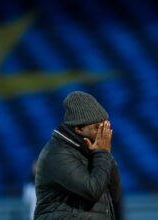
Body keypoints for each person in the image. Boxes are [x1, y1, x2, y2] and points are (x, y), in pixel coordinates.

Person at [34, 91, 122, 220]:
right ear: (78, 129)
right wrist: (103, 154)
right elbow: (91, 190)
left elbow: (115, 194)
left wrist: (105, 154)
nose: (102, 134)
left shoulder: (93, 152)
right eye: (97, 128)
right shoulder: (57, 153)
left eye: (105, 127)